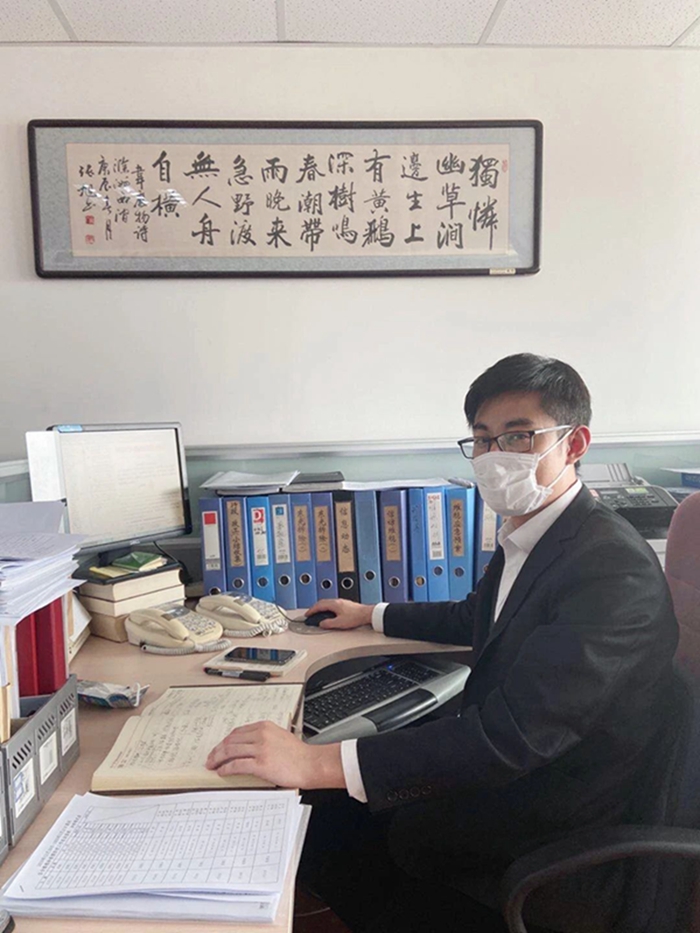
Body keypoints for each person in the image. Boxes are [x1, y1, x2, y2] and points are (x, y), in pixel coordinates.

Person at [206, 353, 680, 933]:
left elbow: (508, 739)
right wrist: (372, 614)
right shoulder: (541, 532)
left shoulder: (610, 571)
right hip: (521, 777)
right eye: (482, 439)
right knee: (323, 802)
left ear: (574, 443)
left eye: (518, 436)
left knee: (317, 817)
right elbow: (478, 616)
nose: (494, 456)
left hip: (551, 822)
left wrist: (315, 760)